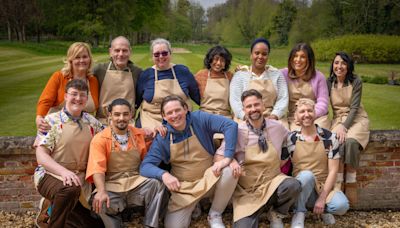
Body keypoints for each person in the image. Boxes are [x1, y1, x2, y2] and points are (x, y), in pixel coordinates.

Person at [140, 95, 238, 228]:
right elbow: (145, 166)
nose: (174, 115)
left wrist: (227, 157)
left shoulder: (199, 118)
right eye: (169, 113)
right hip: (185, 188)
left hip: (210, 178)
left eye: (177, 110)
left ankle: (215, 213)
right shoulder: (163, 137)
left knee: (229, 170)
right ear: (163, 116)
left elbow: (230, 125)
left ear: (186, 109)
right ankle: (195, 204)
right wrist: (164, 175)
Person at [216, 89, 300, 228]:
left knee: (293, 185)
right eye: (249, 106)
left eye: (256, 104)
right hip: (249, 192)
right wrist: (233, 161)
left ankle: (275, 212)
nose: (253, 109)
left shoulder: (277, 127)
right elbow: (218, 156)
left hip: (273, 183)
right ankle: (257, 210)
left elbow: (293, 139)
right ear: (243, 109)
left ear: (263, 106)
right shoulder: (237, 131)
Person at [86, 98, 168, 228]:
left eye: (125, 114)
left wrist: (158, 130)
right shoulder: (100, 139)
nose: (121, 118)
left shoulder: (138, 134)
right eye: (117, 114)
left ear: (131, 114)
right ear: (110, 115)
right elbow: (97, 169)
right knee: (98, 201)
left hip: (136, 182)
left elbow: (153, 145)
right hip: (112, 184)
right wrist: (101, 191)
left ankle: (151, 224)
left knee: (157, 184)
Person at [34, 79, 104, 227]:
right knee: (69, 189)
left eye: (82, 95)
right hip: (51, 174)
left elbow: (111, 136)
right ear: (65, 96)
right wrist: (64, 172)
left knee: (93, 225)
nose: (78, 98)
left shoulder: (93, 123)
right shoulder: (51, 121)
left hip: (80, 179)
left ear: (87, 98)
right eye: (74, 94)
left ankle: (49, 209)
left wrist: (145, 131)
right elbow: (41, 156)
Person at [284, 98, 349, 228]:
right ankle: (299, 213)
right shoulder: (290, 139)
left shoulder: (329, 137)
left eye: (309, 110)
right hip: (300, 186)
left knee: (341, 206)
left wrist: (322, 198)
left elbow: (333, 171)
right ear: (296, 116)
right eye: (302, 112)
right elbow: (281, 164)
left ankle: (322, 209)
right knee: (307, 175)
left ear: (315, 113)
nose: (306, 114)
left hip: (322, 186)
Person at [327, 52, 370, 205]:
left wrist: (344, 127)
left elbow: (354, 107)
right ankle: (338, 182)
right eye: (337, 63)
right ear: (333, 65)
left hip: (356, 118)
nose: (339, 66)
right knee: (335, 142)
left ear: (348, 66)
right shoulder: (329, 82)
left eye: (343, 63)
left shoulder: (356, 81)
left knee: (351, 142)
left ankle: (351, 181)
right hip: (338, 119)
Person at [136, 38, 200, 130]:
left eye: (164, 53)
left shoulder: (182, 72)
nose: (161, 57)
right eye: (157, 54)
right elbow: (136, 102)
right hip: (152, 121)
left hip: (181, 120)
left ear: (170, 53)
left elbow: (197, 97)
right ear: (152, 56)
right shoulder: (146, 75)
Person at [36, 42, 99, 132]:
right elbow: (46, 100)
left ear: (89, 59)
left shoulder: (93, 81)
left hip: (84, 131)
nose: (82, 60)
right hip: (57, 129)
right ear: (70, 60)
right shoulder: (59, 77)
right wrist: (39, 117)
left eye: (85, 57)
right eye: (77, 57)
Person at [230, 38, 288, 123]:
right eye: (257, 53)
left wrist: (275, 115)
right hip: (246, 118)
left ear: (268, 56)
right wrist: (244, 116)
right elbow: (235, 100)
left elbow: (283, 98)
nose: (260, 57)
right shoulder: (240, 76)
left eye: (264, 54)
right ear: (251, 55)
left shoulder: (277, 74)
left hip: (272, 117)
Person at [281, 43, 330, 131]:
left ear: (309, 60)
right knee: (298, 137)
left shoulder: (319, 77)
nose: (298, 60)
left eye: (303, 57)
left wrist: (309, 115)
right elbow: (268, 73)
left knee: (319, 134)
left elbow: (323, 103)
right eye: (295, 56)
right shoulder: (283, 74)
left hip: (316, 116)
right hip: (295, 118)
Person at [93, 36, 142, 124]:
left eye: (124, 50)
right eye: (117, 50)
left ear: (130, 52)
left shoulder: (137, 72)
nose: (121, 54)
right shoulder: (99, 70)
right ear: (110, 52)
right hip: (103, 122)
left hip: (128, 123)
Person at [195, 45, 233, 147]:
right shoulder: (201, 75)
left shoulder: (229, 76)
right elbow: (192, 93)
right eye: (216, 59)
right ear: (210, 60)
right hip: (205, 116)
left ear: (226, 63)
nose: (218, 63)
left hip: (225, 116)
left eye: (222, 60)